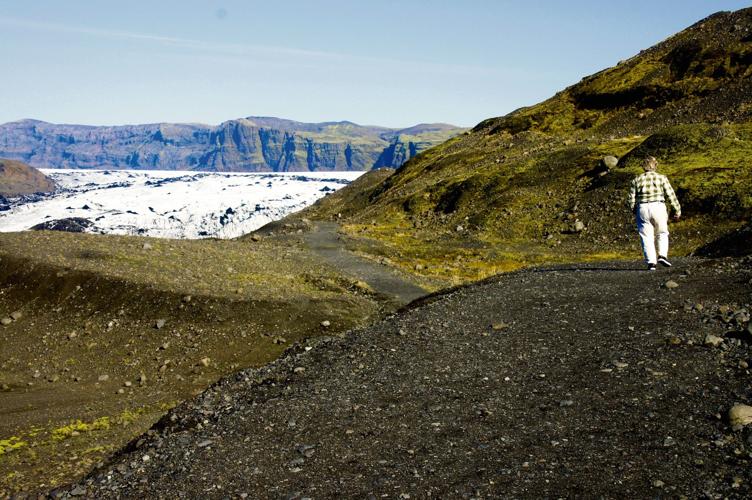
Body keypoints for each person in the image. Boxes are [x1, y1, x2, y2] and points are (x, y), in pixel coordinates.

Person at [627, 156, 681, 271]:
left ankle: (651, 263)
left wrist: (633, 210)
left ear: (643, 167)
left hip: (642, 207)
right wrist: (677, 209)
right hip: (658, 206)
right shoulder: (661, 178)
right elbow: (670, 194)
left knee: (646, 236)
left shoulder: (636, 180)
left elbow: (631, 199)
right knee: (661, 232)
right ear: (655, 165)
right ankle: (662, 255)